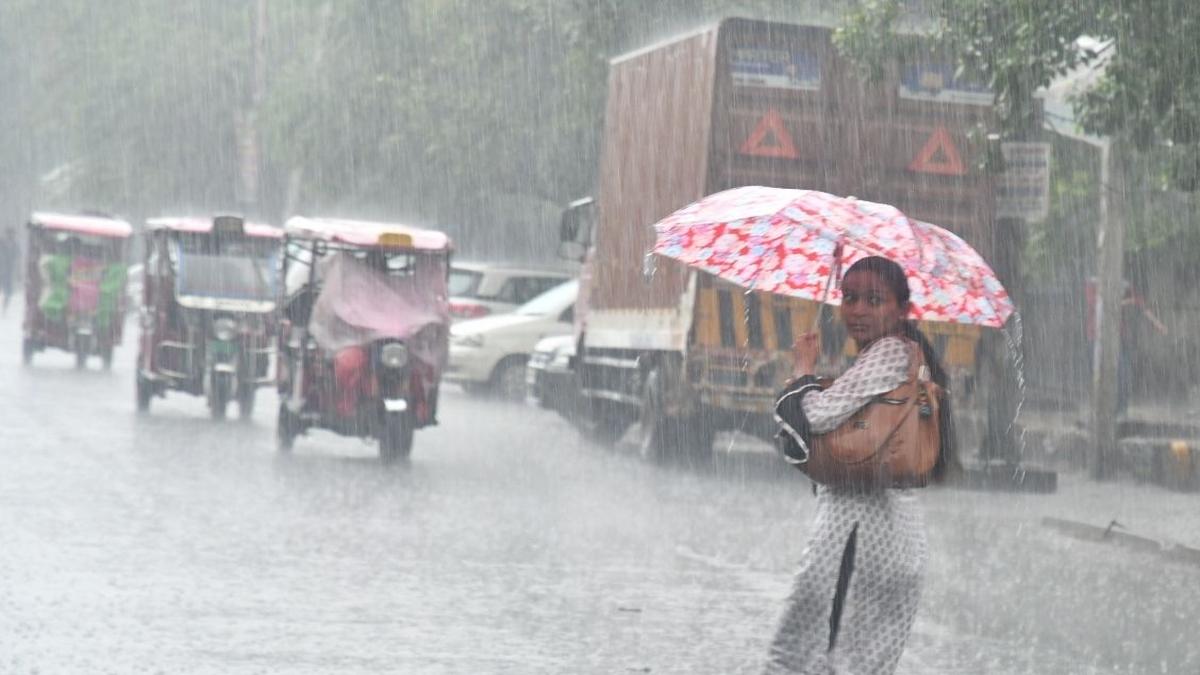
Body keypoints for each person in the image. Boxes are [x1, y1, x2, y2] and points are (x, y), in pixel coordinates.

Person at [764, 256, 954, 675]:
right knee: (854, 663)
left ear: (901, 309)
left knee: (806, 657)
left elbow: (815, 416)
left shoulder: (889, 352)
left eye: (874, 299)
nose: (858, 310)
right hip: (891, 535)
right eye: (849, 298)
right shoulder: (908, 356)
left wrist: (803, 370)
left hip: (857, 537)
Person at [0, 227, 18, 314]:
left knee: (9, 292)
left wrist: (18, 272)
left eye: (12, 234)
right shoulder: (1, 243)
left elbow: (17, 259)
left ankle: (4, 308)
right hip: (1, 270)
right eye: (9, 234)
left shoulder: (15, 246)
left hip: (9, 272)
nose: (11, 236)